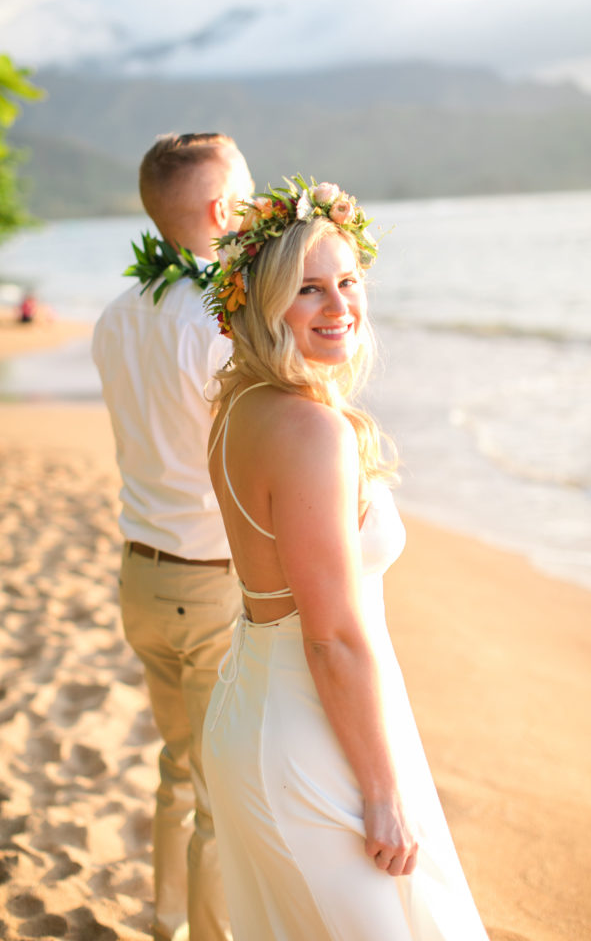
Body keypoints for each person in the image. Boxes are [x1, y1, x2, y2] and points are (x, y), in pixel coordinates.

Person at [201, 175, 490, 940]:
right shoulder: (310, 432)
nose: (338, 307)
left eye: (347, 281)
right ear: (259, 306)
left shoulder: (239, 406)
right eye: (306, 290)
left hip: (258, 705)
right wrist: (382, 790)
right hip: (308, 732)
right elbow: (329, 635)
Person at [92, 132, 254, 941]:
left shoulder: (116, 318)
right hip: (208, 581)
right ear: (224, 209)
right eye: (249, 190)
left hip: (140, 579)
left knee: (176, 767)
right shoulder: (220, 323)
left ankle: (164, 918)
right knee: (219, 791)